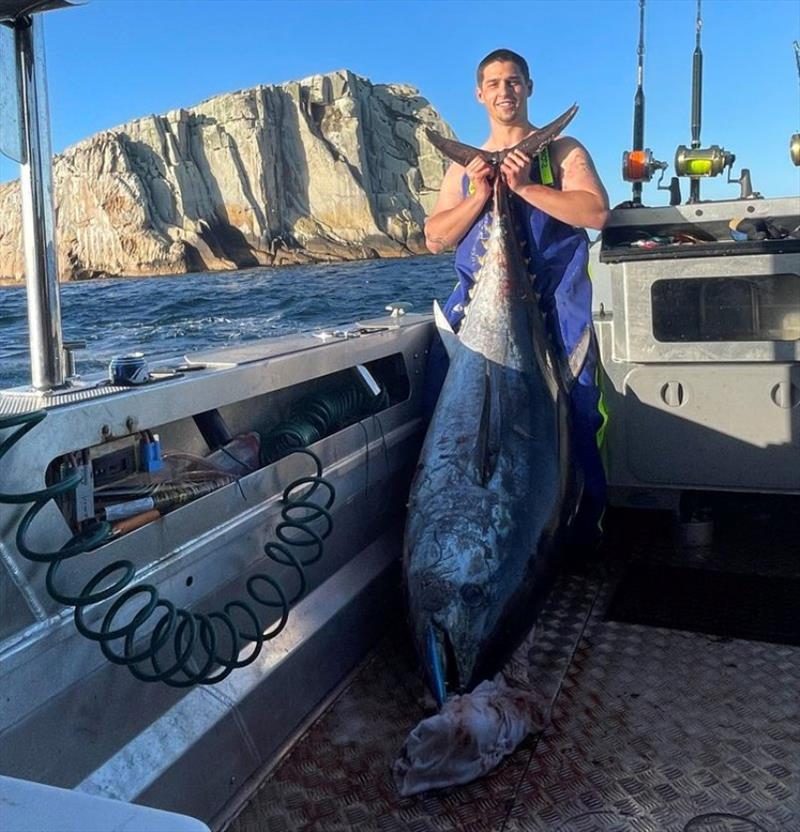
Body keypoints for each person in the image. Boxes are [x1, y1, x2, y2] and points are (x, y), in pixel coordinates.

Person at [424, 48, 609, 547]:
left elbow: (594, 213)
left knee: (580, 414)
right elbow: (435, 236)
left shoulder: (562, 150)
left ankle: (578, 536)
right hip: (479, 311)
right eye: (495, 83)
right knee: (451, 416)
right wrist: (482, 195)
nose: (505, 91)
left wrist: (524, 185)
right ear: (480, 93)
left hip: (556, 309)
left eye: (513, 81)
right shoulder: (463, 170)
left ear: (528, 87)